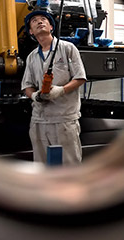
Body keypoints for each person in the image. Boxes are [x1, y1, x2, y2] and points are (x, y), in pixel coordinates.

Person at [21, 10, 87, 164]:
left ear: (51, 27)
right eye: (34, 20)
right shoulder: (32, 57)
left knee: (69, 166)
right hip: (39, 120)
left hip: (64, 119)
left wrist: (61, 90)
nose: (39, 22)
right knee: (42, 166)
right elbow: (27, 86)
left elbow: (80, 77)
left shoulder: (67, 48)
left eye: (43, 19)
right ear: (31, 31)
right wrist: (35, 96)